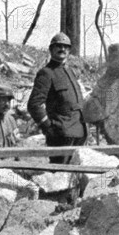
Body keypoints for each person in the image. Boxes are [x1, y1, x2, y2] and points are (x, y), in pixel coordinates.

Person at [28, 32, 86, 163]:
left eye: (66, 47)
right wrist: (48, 127)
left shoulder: (70, 72)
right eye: (58, 46)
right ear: (51, 49)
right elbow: (34, 104)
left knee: (74, 175)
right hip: (61, 135)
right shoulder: (46, 73)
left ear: (69, 50)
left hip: (78, 133)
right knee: (59, 175)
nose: (62, 49)